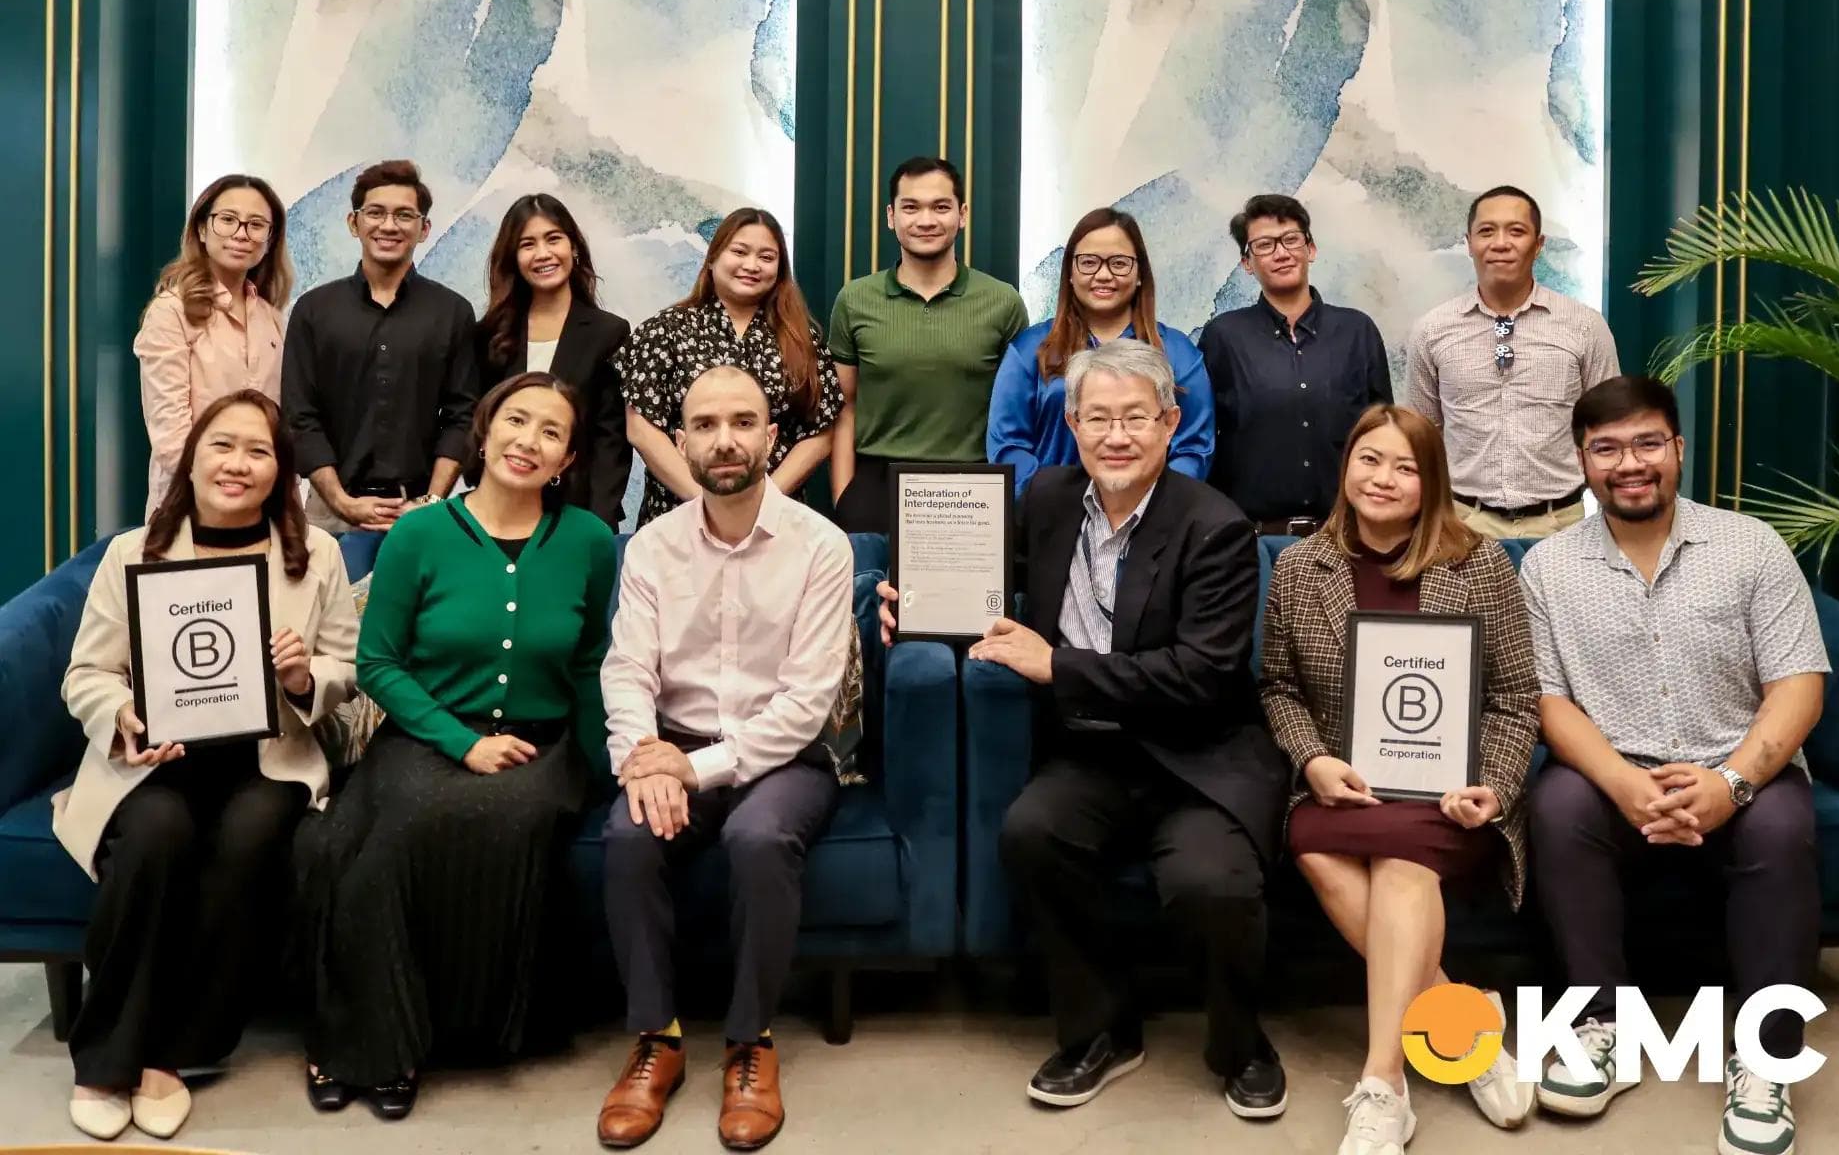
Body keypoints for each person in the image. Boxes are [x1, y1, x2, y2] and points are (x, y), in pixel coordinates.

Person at [883, 339, 1289, 1118]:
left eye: (1136, 417)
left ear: (1171, 423)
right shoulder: (1045, 498)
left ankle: (1242, 1042)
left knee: (1208, 881)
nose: (1116, 435)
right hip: (1090, 751)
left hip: (1195, 755)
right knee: (1032, 834)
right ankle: (1103, 1030)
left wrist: (1058, 667)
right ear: (1071, 423)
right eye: (1097, 417)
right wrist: (918, 599)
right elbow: (988, 593)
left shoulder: (1218, 527)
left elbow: (1199, 676)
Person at [1520, 375, 1827, 1155]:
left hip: (1739, 771)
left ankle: (1766, 1061)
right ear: (1582, 462)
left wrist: (1731, 782)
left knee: (1785, 824)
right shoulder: (1548, 568)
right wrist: (1623, 784)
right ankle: (1602, 1029)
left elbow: (1798, 684)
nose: (1630, 463)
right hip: (1615, 778)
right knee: (1556, 807)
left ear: (1678, 449)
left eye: (1648, 443)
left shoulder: (1750, 546)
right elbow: (1550, 702)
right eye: (1607, 448)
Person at [297, 371, 617, 1119]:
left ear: (567, 459)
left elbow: (591, 661)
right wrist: (461, 741)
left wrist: (610, 767)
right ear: (486, 429)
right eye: (517, 421)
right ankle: (367, 1045)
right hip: (426, 734)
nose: (528, 442)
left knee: (503, 822)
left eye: (551, 432)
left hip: (540, 745)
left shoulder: (590, 542)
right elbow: (377, 661)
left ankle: (452, 1032)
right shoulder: (419, 533)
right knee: (381, 838)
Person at [57, 390, 359, 1142]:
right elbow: (85, 674)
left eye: (259, 452)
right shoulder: (133, 554)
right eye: (222, 446)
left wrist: (302, 678)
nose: (238, 464)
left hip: (270, 756)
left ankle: (171, 1054)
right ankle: (103, 1059)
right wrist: (120, 713)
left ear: (280, 473)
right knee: (157, 836)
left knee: (254, 833)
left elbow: (349, 669)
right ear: (191, 459)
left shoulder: (314, 554)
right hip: (153, 762)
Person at [1258, 404, 1540, 1154]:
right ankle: (1461, 1016)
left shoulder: (1480, 566)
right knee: (1314, 841)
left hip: (1448, 796)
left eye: (1405, 467)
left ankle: (1384, 1083)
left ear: (1432, 481)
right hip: (1340, 788)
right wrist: (1313, 760)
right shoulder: (1297, 566)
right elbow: (1278, 689)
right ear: (1346, 467)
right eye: (1369, 460)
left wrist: (1491, 786)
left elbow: (1515, 701)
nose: (1383, 479)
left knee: (1404, 859)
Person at [595, 365, 853, 1151]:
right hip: (673, 741)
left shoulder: (821, 545)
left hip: (788, 756)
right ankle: (657, 1039)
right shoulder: (651, 548)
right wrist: (644, 758)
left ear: (773, 438)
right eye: (705, 425)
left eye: (744, 422)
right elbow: (628, 670)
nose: (726, 440)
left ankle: (750, 1043)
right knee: (631, 836)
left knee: (758, 838)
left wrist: (693, 770)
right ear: (679, 444)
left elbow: (807, 704)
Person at [1405, 185, 1620, 539]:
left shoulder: (1584, 326)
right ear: (1469, 243)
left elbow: (1607, 429)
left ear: (1538, 245)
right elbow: (1422, 434)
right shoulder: (1433, 330)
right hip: (1464, 523)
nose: (1500, 243)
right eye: (1486, 231)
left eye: (1516, 231)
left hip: (1560, 524)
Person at [828, 156, 1028, 533]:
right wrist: (844, 497)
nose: (925, 220)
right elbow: (845, 406)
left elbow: (1017, 415)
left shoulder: (1003, 303)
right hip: (877, 483)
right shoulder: (854, 300)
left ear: (962, 214)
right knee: (871, 592)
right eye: (910, 207)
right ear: (891, 217)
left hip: (973, 486)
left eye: (940, 207)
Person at [280, 159, 479, 534]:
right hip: (330, 511)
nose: (389, 225)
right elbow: (300, 416)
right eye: (375, 212)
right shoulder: (314, 310)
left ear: (424, 229)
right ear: (354, 223)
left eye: (405, 215)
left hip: (421, 512)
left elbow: (463, 415)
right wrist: (341, 501)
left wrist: (432, 502)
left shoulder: (452, 312)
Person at [613, 208, 841, 527]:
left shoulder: (801, 337)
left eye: (766, 256)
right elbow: (642, 428)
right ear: (713, 257)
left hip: (774, 519)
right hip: (679, 518)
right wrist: (703, 503)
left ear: (780, 268)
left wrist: (764, 501)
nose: (751, 265)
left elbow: (821, 430)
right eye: (739, 251)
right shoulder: (665, 329)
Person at [1199, 194, 1391, 533]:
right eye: (1264, 245)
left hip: (1346, 536)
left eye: (1291, 240)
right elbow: (1204, 437)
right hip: (1253, 541)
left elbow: (1384, 432)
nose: (1281, 253)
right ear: (1247, 262)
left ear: (1310, 249)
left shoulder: (1356, 330)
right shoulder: (1223, 337)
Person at [988, 207, 1213, 496]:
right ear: (1070, 272)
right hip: (1049, 521)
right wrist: (1054, 499)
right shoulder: (1029, 351)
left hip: (1151, 525)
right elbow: (1009, 446)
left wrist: (1148, 504)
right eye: (1089, 262)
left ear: (1140, 273)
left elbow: (1194, 450)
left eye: (1119, 263)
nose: (1103, 275)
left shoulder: (1178, 354)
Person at [133, 175, 295, 516]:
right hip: (189, 506)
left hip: (267, 507)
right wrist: (229, 490)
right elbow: (170, 437)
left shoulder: (274, 319)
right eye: (227, 220)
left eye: (256, 225)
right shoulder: (171, 312)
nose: (241, 233)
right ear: (202, 230)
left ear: (270, 239)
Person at [475, 193, 632, 528]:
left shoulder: (609, 332)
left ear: (573, 247)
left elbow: (611, 442)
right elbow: (476, 423)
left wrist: (596, 527)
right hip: (498, 514)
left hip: (580, 515)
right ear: (513, 257)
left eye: (553, 239)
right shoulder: (489, 334)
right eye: (527, 244)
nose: (543, 254)